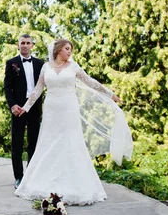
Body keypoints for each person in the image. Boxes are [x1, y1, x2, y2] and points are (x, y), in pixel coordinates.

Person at [14, 38, 133, 205]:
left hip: (69, 109)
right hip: (51, 110)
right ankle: (42, 181)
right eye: (67, 48)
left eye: (71, 49)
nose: (70, 52)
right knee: (48, 143)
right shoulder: (46, 67)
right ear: (58, 50)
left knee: (70, 143)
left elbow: (90, 81)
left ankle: (75, 184)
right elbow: (38, 89)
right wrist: (25, 108)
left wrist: (110, 94)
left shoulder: (73, 67)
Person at [4, 34, 45, 190]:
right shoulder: (11, 63)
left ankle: (31, 175)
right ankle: (19, 177)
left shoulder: (40, 64)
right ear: (18, 45)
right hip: (18, 109)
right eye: (23, 43)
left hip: (34, 108)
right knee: (17, 143)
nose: (25, 45)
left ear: (32, 45)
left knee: (33, 143)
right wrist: (13, 105)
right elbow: (7, 87)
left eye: (28, 43)